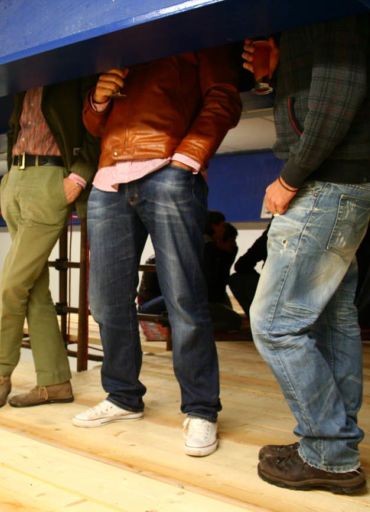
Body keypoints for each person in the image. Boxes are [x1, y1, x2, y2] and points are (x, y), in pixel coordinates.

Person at [72, 46, 242, 458]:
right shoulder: (117, 42)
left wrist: (187, 158)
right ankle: (123, 396)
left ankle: (201, 408)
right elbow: (95, 126)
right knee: (105, 302)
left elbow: (225, 96)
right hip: (108, 180)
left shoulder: (196, 31)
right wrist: (97, 101)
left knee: (184, 296)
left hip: (167, 169)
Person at [243, 13, 370, 493]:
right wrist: (276, 73)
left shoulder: (334, 7)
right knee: (330, 319)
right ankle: (331, 446)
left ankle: (328, 451)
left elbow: (338, 98)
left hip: (327, 183)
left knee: (274, 324)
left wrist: (289, 178)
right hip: (344, 181)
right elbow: (323, 91)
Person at [0, 77, 100, 409]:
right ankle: (56, 382)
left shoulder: (73, 69)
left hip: (50, 181)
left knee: (12, 287)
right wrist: (8, 176)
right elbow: (16, 129)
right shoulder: (24, 80)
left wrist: (78, 177)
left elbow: (96, 125)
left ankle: (1, 375)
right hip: (15, 182)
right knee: (34, 291)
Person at [228, 223, 269, 318]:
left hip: (275, 289)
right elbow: (242, 265)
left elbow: (242, 265)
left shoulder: (271, 235)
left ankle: (258, 320)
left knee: (237, 279)